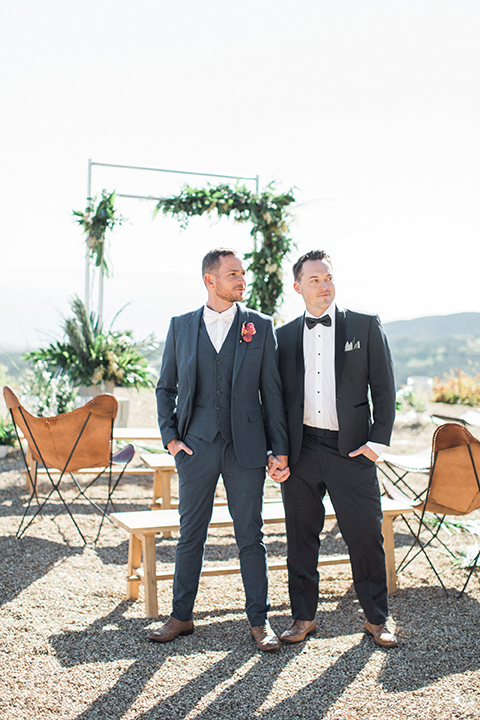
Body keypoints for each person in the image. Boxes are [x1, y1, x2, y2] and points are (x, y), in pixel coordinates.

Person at [149, 248, 289, 652]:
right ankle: (181, 616)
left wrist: (278, 448)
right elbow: (166, 387)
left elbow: (272, 392)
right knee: (190, 534)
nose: (241, 279)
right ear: (210, 280)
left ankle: (260, 622)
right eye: (233, 273)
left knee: (251, 535)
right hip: (196, 447)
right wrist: (172, 439)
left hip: (246, 447)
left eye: (242, 273)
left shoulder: (260, 326)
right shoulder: (181, 326)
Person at [274, 250, 398, 648]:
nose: (324, 285)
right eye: (315, 280)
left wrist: (377, 443)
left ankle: (377, 618)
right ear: (298, 287)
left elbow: (384, 387)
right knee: (300, 536)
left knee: (365, 537)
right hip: (302, 449)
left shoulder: (364, 325)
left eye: (328, 278)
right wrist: (277, 451)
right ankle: (303, 617)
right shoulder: (285, 336)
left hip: (352, 450)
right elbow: (275, 400)